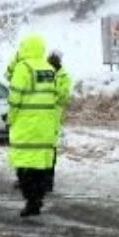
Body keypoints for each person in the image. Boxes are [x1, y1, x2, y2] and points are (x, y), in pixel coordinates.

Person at [6, 33, 66, 217]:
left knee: (22, 164)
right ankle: (37, 197)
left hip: (26, 125)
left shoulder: (23, 68)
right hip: (46, 125)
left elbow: (14, 97)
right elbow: (58, 95)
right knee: (40, 165)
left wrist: (11, 119)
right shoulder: (49, 69)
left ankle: (31, 199)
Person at [44, 50, 72, 193]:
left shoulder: (64, 77)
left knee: (49, 150)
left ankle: (48, 182)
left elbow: (64, 96)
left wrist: (51, 93)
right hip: (38, 116)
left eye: (53, 60)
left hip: (52, 118)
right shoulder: (42, 73)